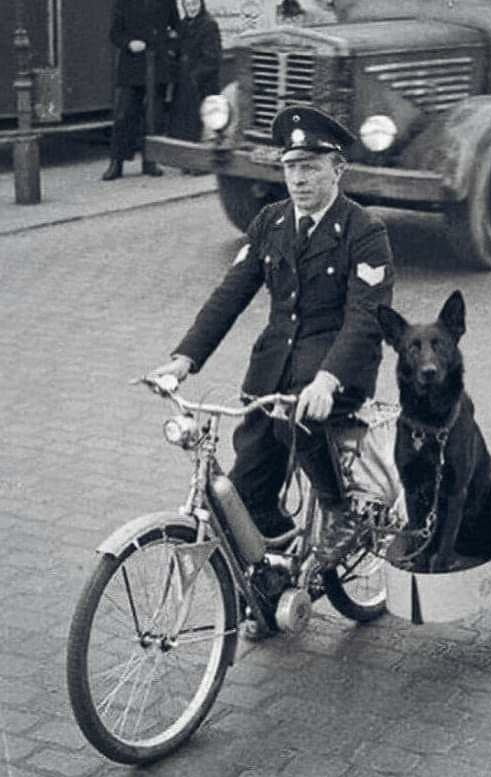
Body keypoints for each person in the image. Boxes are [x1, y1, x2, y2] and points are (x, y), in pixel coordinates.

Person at [150, 106, 394, 566]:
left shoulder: (364, 231)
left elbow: (365, 319)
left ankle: (340, 512)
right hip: (272, 372)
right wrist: (184, 359)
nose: (298, 179)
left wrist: (327, 381)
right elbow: (230, 294)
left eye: (311, 167)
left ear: (338, 169)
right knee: (244, 491)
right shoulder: (270, 222)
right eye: (291, 167)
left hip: (335, 370)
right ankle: (275, 564)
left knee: (297, 419)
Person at [102, 0, 179, 181]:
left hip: (157, 65)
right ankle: (116, 162)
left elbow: (176, 28)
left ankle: (150, 161)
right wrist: (129, 43)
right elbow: (115, 33)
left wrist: (169, 50)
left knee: (153, 115)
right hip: (132, 66)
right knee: (124, 114)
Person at [168, 0, 222, 146]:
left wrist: (195, 76)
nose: (192, 8)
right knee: (183, 126)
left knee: (199, 125)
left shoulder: (209, 24)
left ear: (201, 4)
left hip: (202, 84)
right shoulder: (183, 24)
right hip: (184, 82)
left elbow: (212, 57)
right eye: (188, 5)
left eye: (195, 4)